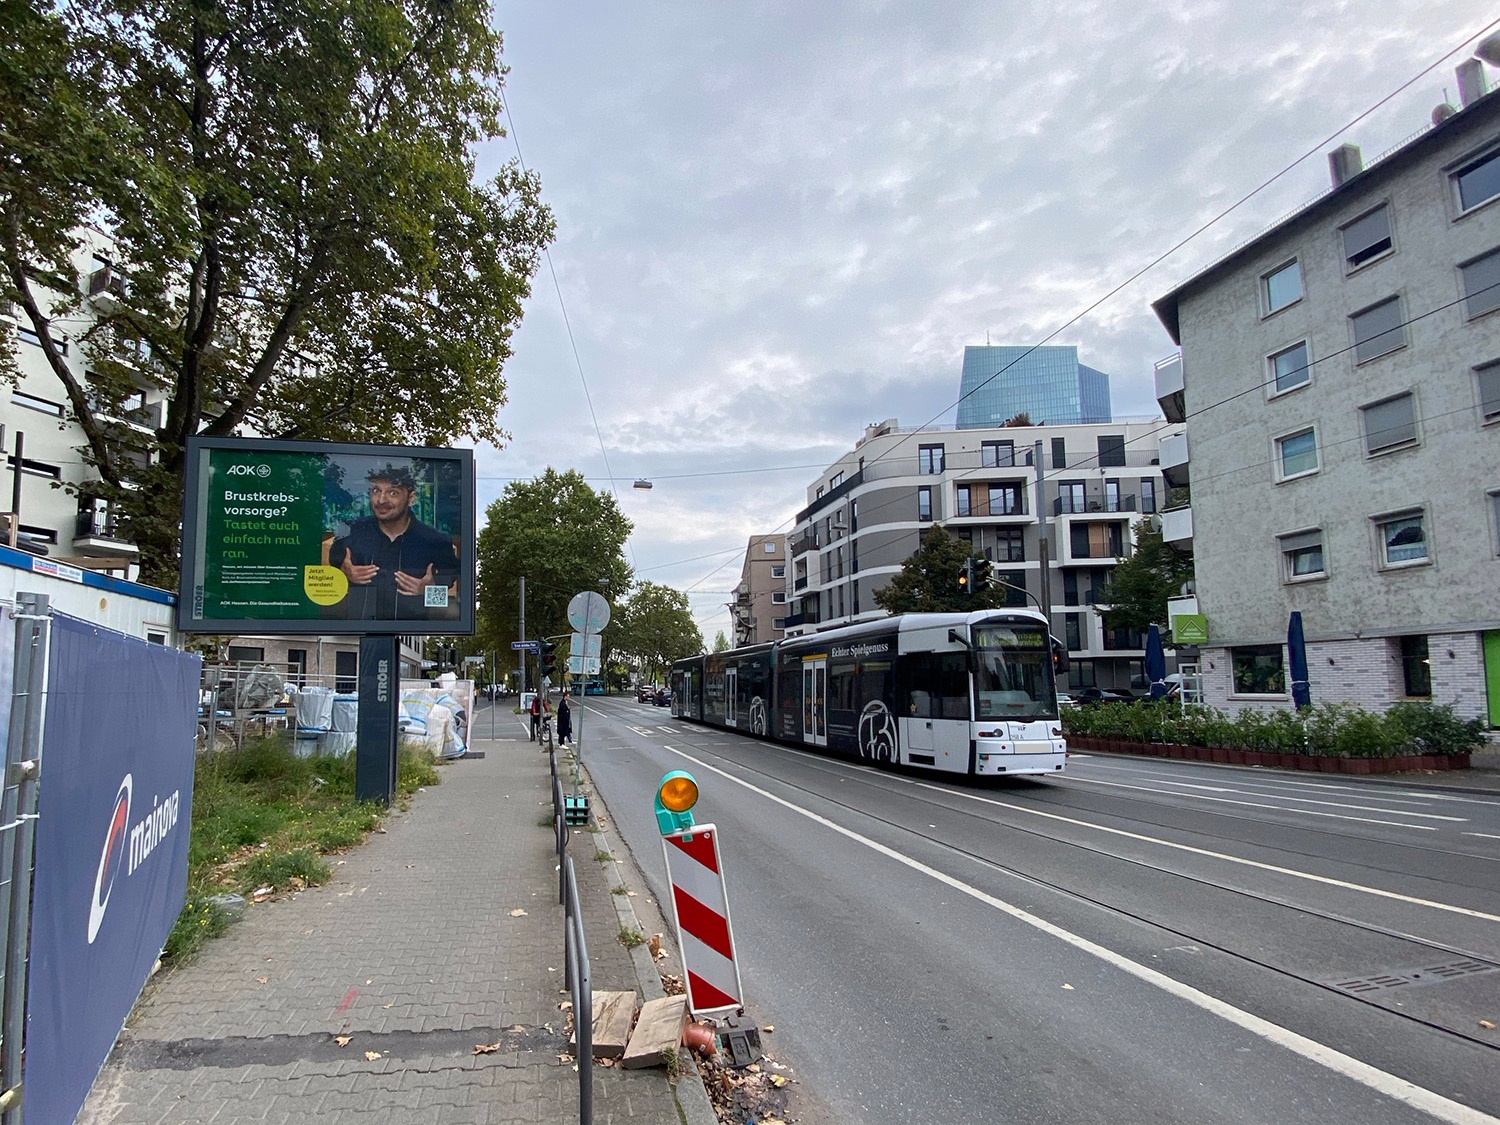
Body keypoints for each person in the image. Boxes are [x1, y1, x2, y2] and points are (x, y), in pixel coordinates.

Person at [327, 463, 460, 620]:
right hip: (358, 629)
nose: (381, 500)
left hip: (411, 630)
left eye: (393, 493)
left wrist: (429, 589)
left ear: (411, 499)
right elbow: (332, 573)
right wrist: (344, 572)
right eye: (376, 491)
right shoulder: (350, 531)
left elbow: (448, 587)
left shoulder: (436, 541)